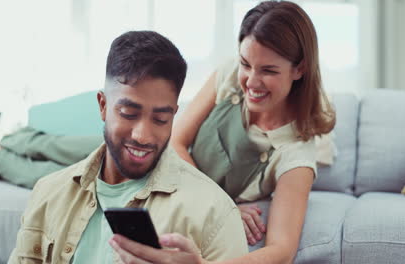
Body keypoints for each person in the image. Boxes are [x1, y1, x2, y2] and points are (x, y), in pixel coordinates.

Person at [109, 1, 336, 264]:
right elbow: (175, 141)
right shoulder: (231, 74)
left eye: (269, 71)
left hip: (171, 183)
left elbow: (281, 251)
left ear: (300, 69)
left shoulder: (296, 153)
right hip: (157, 159)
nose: (251, 81)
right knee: (69, 151)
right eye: (246, 63)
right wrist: (222, 206)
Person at [7, 30, 248, 263]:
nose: (142, 136)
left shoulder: (214, 212)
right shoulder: (48, 192)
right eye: (128, 113)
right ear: (102, 105)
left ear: (174, 115)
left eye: (160, 119)